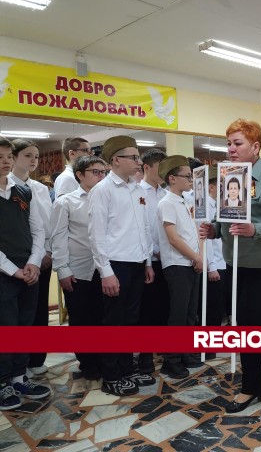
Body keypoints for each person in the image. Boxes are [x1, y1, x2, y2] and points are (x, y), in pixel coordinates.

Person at [200, 119, 261, 413]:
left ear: (255, 147)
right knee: (243, 323)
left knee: (254, 322)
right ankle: (253, 384)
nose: (230, 149)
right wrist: (214, 229)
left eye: (237, 143)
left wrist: (256, 229)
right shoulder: (231, 174)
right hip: (237, 261)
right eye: (228, 143)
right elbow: (228, 215)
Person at [88, 135, 156, 396]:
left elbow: (145, 228)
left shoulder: (136, 189)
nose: (139, 162)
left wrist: (148, 261)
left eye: (139, 157)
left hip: (137, 263)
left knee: (131, 320)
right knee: (114, 322)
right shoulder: (102, 191)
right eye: (134, 157)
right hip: (115, 265)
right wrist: (106, 272)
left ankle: (127, 368)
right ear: (116, 160)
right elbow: (97, 235)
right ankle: (111, 374)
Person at [0, 135, 49, 411]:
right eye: (0, 157)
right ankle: (3, 381)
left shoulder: (23, 191)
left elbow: (37, 230)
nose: (6, 161)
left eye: (8, 156)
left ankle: (19, 377)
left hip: (28, 269)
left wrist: (33, 262)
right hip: (5, 272)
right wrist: (13, 270)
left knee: (25, 325)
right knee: (6, 328)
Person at [51, 156, 108, 381]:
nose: (101, 176)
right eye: (96, 172)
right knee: (82, 319)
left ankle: (104, 358)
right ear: (80, 175)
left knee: (103, 317)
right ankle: (87, 362)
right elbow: (58, 237)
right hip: (78, 269)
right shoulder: (66, 202)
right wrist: (63, 269)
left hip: (105, 269)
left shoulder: (107, 198)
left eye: (104, 172)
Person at [9, 139, 53, 377]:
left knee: (38, 311)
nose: (34, 160)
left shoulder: (40, 188)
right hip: (13, 260)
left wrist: (47, 252)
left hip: (41, 257)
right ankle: (15, 366)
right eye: (27, 155)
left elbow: (46, 225)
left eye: (36, 155)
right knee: (14, 315)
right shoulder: (7, 186)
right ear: (14, 157)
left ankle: (35, 359)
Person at [156, 155, 203, 379]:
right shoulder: (166, 202)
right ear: (172, 178)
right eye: (186, 176)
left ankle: (187, 353)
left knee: (190, 314)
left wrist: (198, 257)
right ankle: (171, 360)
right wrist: (196, 257)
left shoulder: (184, 201)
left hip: (190, 262)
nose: (190, 179)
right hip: (177, 264)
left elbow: (192, 232)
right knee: (178, 314)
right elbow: (173, 238)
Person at [137, 148, 169, 374]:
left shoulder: (165, 193)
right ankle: (145, 357)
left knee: (163, 307)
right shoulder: (138, 192)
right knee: (146, 310)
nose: (165, 173)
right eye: (160, 168)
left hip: (167, 258)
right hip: (148, 259)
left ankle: (161, 348)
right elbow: (143, 229)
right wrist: (152, 254)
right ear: (146, 167)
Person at [205, 165, 229, 329]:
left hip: (224, 261)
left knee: (220, 305)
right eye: (221, 185)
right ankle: (208, 349)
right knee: (212, 307)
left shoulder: (221, 204)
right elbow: (205, 238)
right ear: (212, 187)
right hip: (214, 263)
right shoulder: (204, 206)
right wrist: (211, 266)